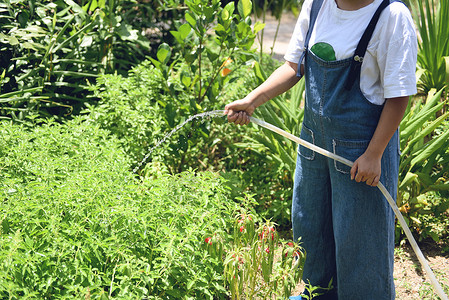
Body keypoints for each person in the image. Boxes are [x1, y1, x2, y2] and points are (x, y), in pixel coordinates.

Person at [224, 0, 417, 298]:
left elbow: (399, 95)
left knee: (360, 240)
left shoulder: (391, 16)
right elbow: (293, 66)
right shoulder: (317, 5)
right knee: (311, 226)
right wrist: (253, 100)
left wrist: (375, 154)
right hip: (313, 147)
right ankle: (318, 294)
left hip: (362, 155)